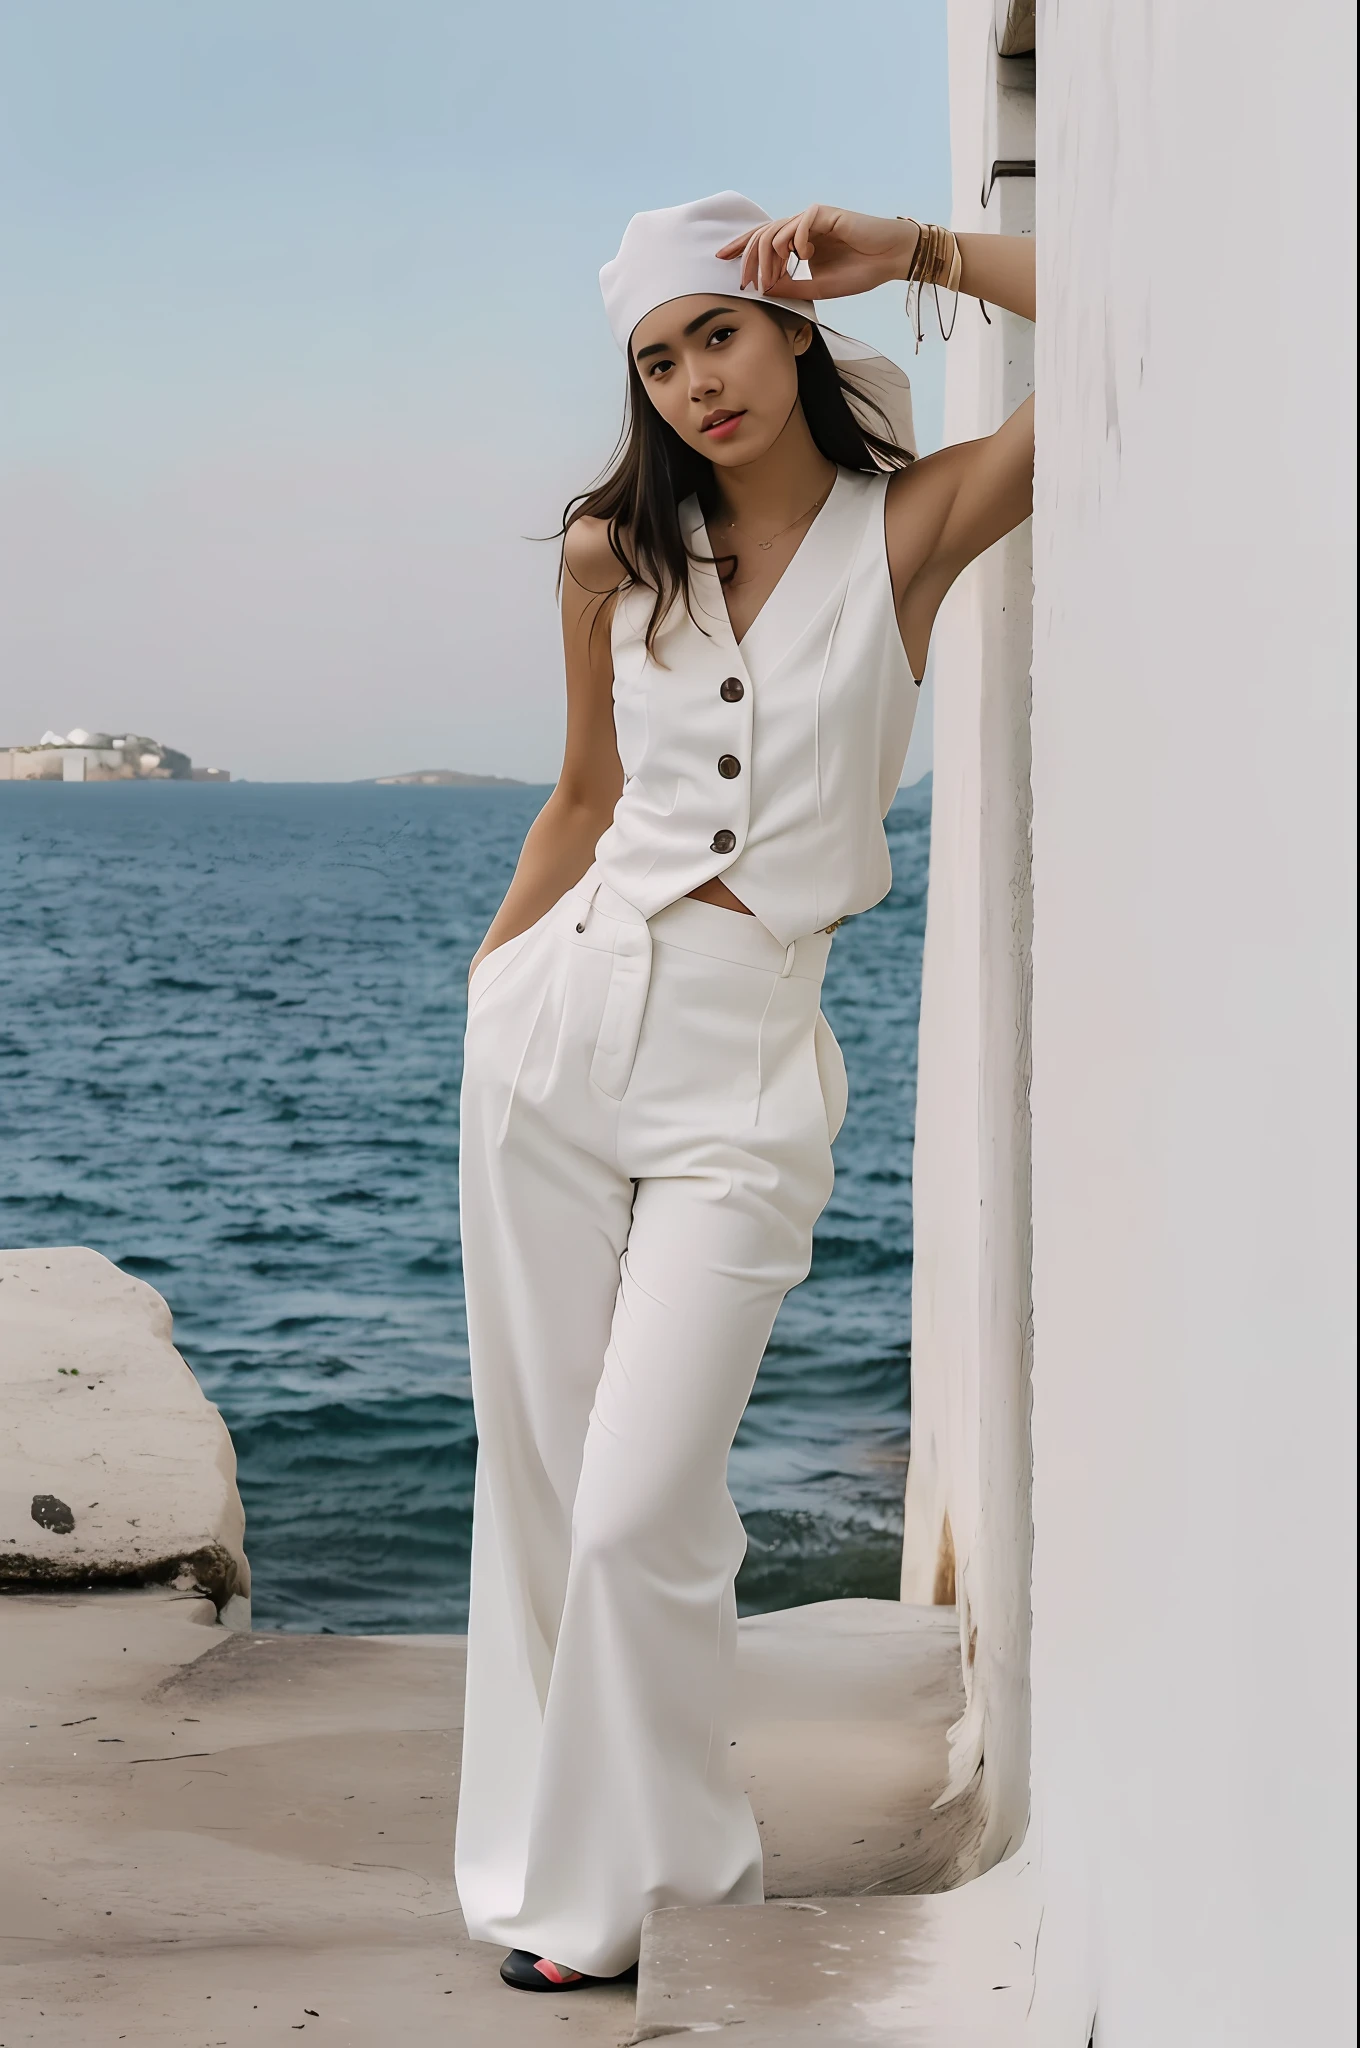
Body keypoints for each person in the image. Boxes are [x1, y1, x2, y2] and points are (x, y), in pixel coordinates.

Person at [453, 192, 1035, 1993]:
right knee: (546, 1500)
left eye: (720, 330)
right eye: (657, 356)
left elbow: (1151, 343)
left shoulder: (908, 534)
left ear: (788, 335)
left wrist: (925, 253)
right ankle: (584, 1887)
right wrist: (490, 991)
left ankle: (682, 1856)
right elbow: (575, 795)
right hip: (556, 1035)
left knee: (640, 1507)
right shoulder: (605, 558)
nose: (695, 378)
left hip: (750, 1062)